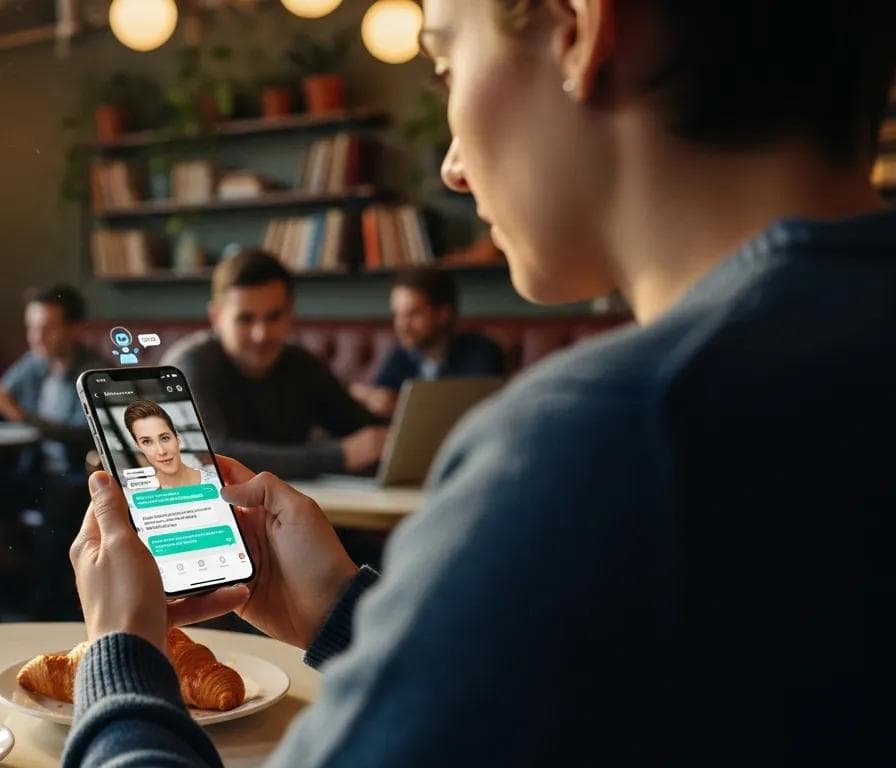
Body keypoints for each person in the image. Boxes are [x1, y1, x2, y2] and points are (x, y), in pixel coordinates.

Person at [62, 0, 896, 765]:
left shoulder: (609, 435)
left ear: (576, 30)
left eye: (446, 67)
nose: (454, 167)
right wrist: (347, 617)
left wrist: (122, 658)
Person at [163, 250, 386, 479]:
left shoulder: (299, 362)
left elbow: (360, 427)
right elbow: (209, 455)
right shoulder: (186, 368)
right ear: (216, 317)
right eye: (245, 319)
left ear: (291, 314)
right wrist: (337, 456)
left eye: (274, 317)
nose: (261, 334)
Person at [0, 284, 99, 618]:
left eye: (47, 328)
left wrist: (19, 414)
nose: (36, 337)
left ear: (75, 329)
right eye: (31, 327)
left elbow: (84, 434)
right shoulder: (33, 365)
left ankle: (40, 613)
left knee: (61, 502)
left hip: (79, 479)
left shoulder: (95, 371)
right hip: (36, 476)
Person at [351, 266, 506, 417]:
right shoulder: (402, 353)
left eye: (413, 314)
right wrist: (368, 396)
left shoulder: (481, 352)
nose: (401, 326)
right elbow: (380, 395)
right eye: (398, 315)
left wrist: (400, 406)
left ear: (443, 315)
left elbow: (471, 412)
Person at [122, 400, 217, 490]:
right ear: (139, 447)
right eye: (147, 442)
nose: (161, 451)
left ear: (177, 437)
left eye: (165, 438)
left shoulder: (216, 482)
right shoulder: (137, 496)